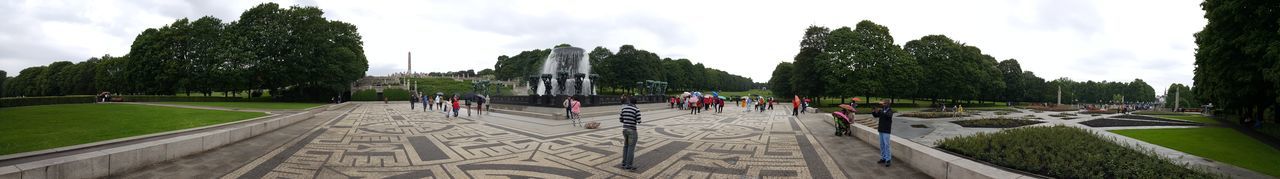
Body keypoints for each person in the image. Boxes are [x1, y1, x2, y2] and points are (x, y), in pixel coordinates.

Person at [617, 95, 641, 171]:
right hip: (632, 130)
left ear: (629, 101)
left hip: (624, 130)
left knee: (626, 147)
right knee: (631, 148)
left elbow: (621, 119)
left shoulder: (624, 108)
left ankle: (624, 163)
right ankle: (629, 165)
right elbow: (639, 120)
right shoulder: (636, 109)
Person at [871, 99, 895, 167]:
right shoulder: (882, 110)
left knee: (886, 145)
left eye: (884, 103)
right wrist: (873, 111)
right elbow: (876, 115)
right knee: (882, 145)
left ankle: (888, 159)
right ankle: (883, 158)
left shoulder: (890, 110)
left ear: (888, 104)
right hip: (881, 129)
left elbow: (888, 116)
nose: (883, 104)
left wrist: (880, 111)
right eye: (883, 103)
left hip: (886, 130)